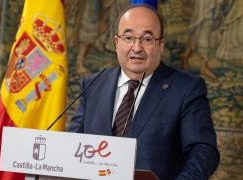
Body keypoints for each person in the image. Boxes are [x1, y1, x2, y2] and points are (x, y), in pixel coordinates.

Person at [68, 4, 220, 180]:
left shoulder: (187, 88)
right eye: (128, 37)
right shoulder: (92, 84)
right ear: (117, 42)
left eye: (147, 39)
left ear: (160, 45)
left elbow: (203, 150)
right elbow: (73, 146)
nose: (137, 47)